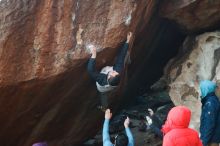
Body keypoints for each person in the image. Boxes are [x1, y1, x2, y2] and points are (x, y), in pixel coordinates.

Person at [87, 32, 132, 110]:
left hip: (101, 88)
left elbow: (91, 70)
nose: (114, 71)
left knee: (103, 94)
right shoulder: (118, 71)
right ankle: (105, 107)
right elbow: (121, 56)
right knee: (124, 57)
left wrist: (94, 55)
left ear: (108, 77)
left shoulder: (101, 79)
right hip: (112, 86)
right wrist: (128, 41)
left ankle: (104, 108)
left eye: (112, 73)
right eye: (115, 73)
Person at [199, 80, 220, 146]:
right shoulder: (212, 100)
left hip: (211, 140)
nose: (201, 92)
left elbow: (209, 123)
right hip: (212, 138)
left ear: (206, 89)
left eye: (202, 89)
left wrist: (203, 141)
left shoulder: (210, 103)